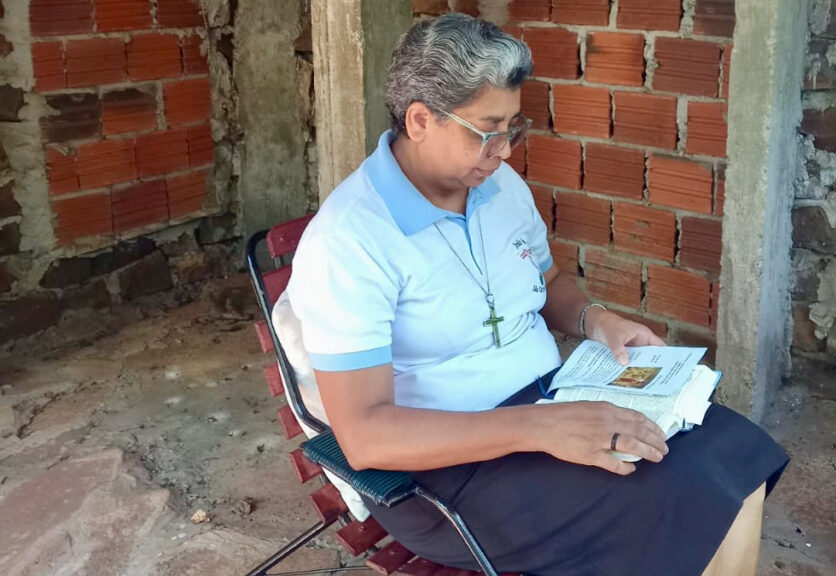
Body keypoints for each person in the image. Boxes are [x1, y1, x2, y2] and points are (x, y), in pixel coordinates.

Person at [281, 13, 789, 576]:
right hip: (445, 476)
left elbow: (545, 284)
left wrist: (597, 320)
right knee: (664, 495)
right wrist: (542, 428)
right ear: (420, 119)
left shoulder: (498, 188)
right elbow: (367, 438)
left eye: (512, 128)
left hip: (547, 402)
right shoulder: (350, 241)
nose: (503, 150)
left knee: (726, 450)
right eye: (486, 129)